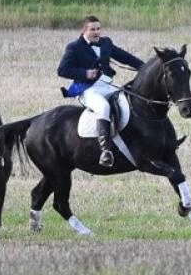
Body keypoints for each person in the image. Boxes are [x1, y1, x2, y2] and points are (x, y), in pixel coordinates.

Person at [57, 15, 143, 168]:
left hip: (108, 86)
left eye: (98, 29)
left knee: (130, 102)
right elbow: (62, 70)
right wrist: (85, 73)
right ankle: (105, 150)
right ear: (84, 30)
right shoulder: (74, 47)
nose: (96, 32)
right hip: (88, 90)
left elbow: (125, 57)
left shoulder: (106, 43)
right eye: (92, 29)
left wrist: (146, 68)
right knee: (103, 107)